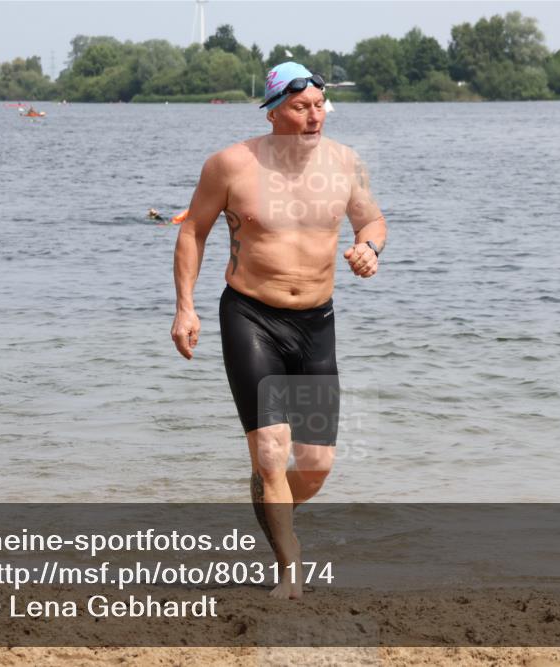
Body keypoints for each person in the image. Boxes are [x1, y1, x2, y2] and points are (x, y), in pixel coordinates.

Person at [170, 62, 387, 599]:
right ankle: (290, 570)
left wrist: (369, 248)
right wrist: (185, 308)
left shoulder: (345, 163)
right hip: (251, 318)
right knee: (270, 452)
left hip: (316, 322)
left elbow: (371, 221)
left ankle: (271, 504)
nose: (314, 116)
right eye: (300, 107)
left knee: (314, 467)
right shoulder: (230, 165)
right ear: (272, 112)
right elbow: (193, 231)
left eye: (319, 105)